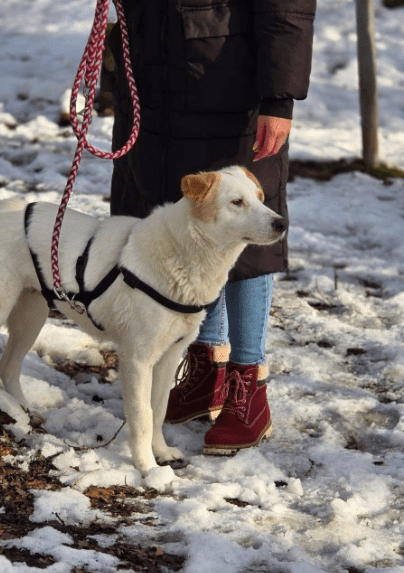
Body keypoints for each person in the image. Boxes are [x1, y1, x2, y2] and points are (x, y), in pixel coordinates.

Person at [108, 0, 316, 454]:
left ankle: (249, 385)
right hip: (150, 83)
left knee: (250, 234)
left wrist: (279, 98)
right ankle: (207, 366)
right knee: (177, 233)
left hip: (230, 89)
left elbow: (288, 8)